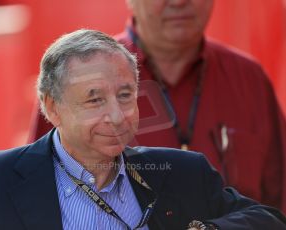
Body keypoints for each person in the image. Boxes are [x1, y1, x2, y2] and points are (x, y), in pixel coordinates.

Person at [0, 29, 286, 230]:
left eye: (125, 97)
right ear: (51, 107)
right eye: (94, 100)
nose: (117, 116)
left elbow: (270, 220)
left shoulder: (182, 172)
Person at [28, 0, 286, 211]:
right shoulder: (75, 78)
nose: (179, 2)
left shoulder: (249, 79)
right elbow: (34, 200)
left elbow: (279, 201)